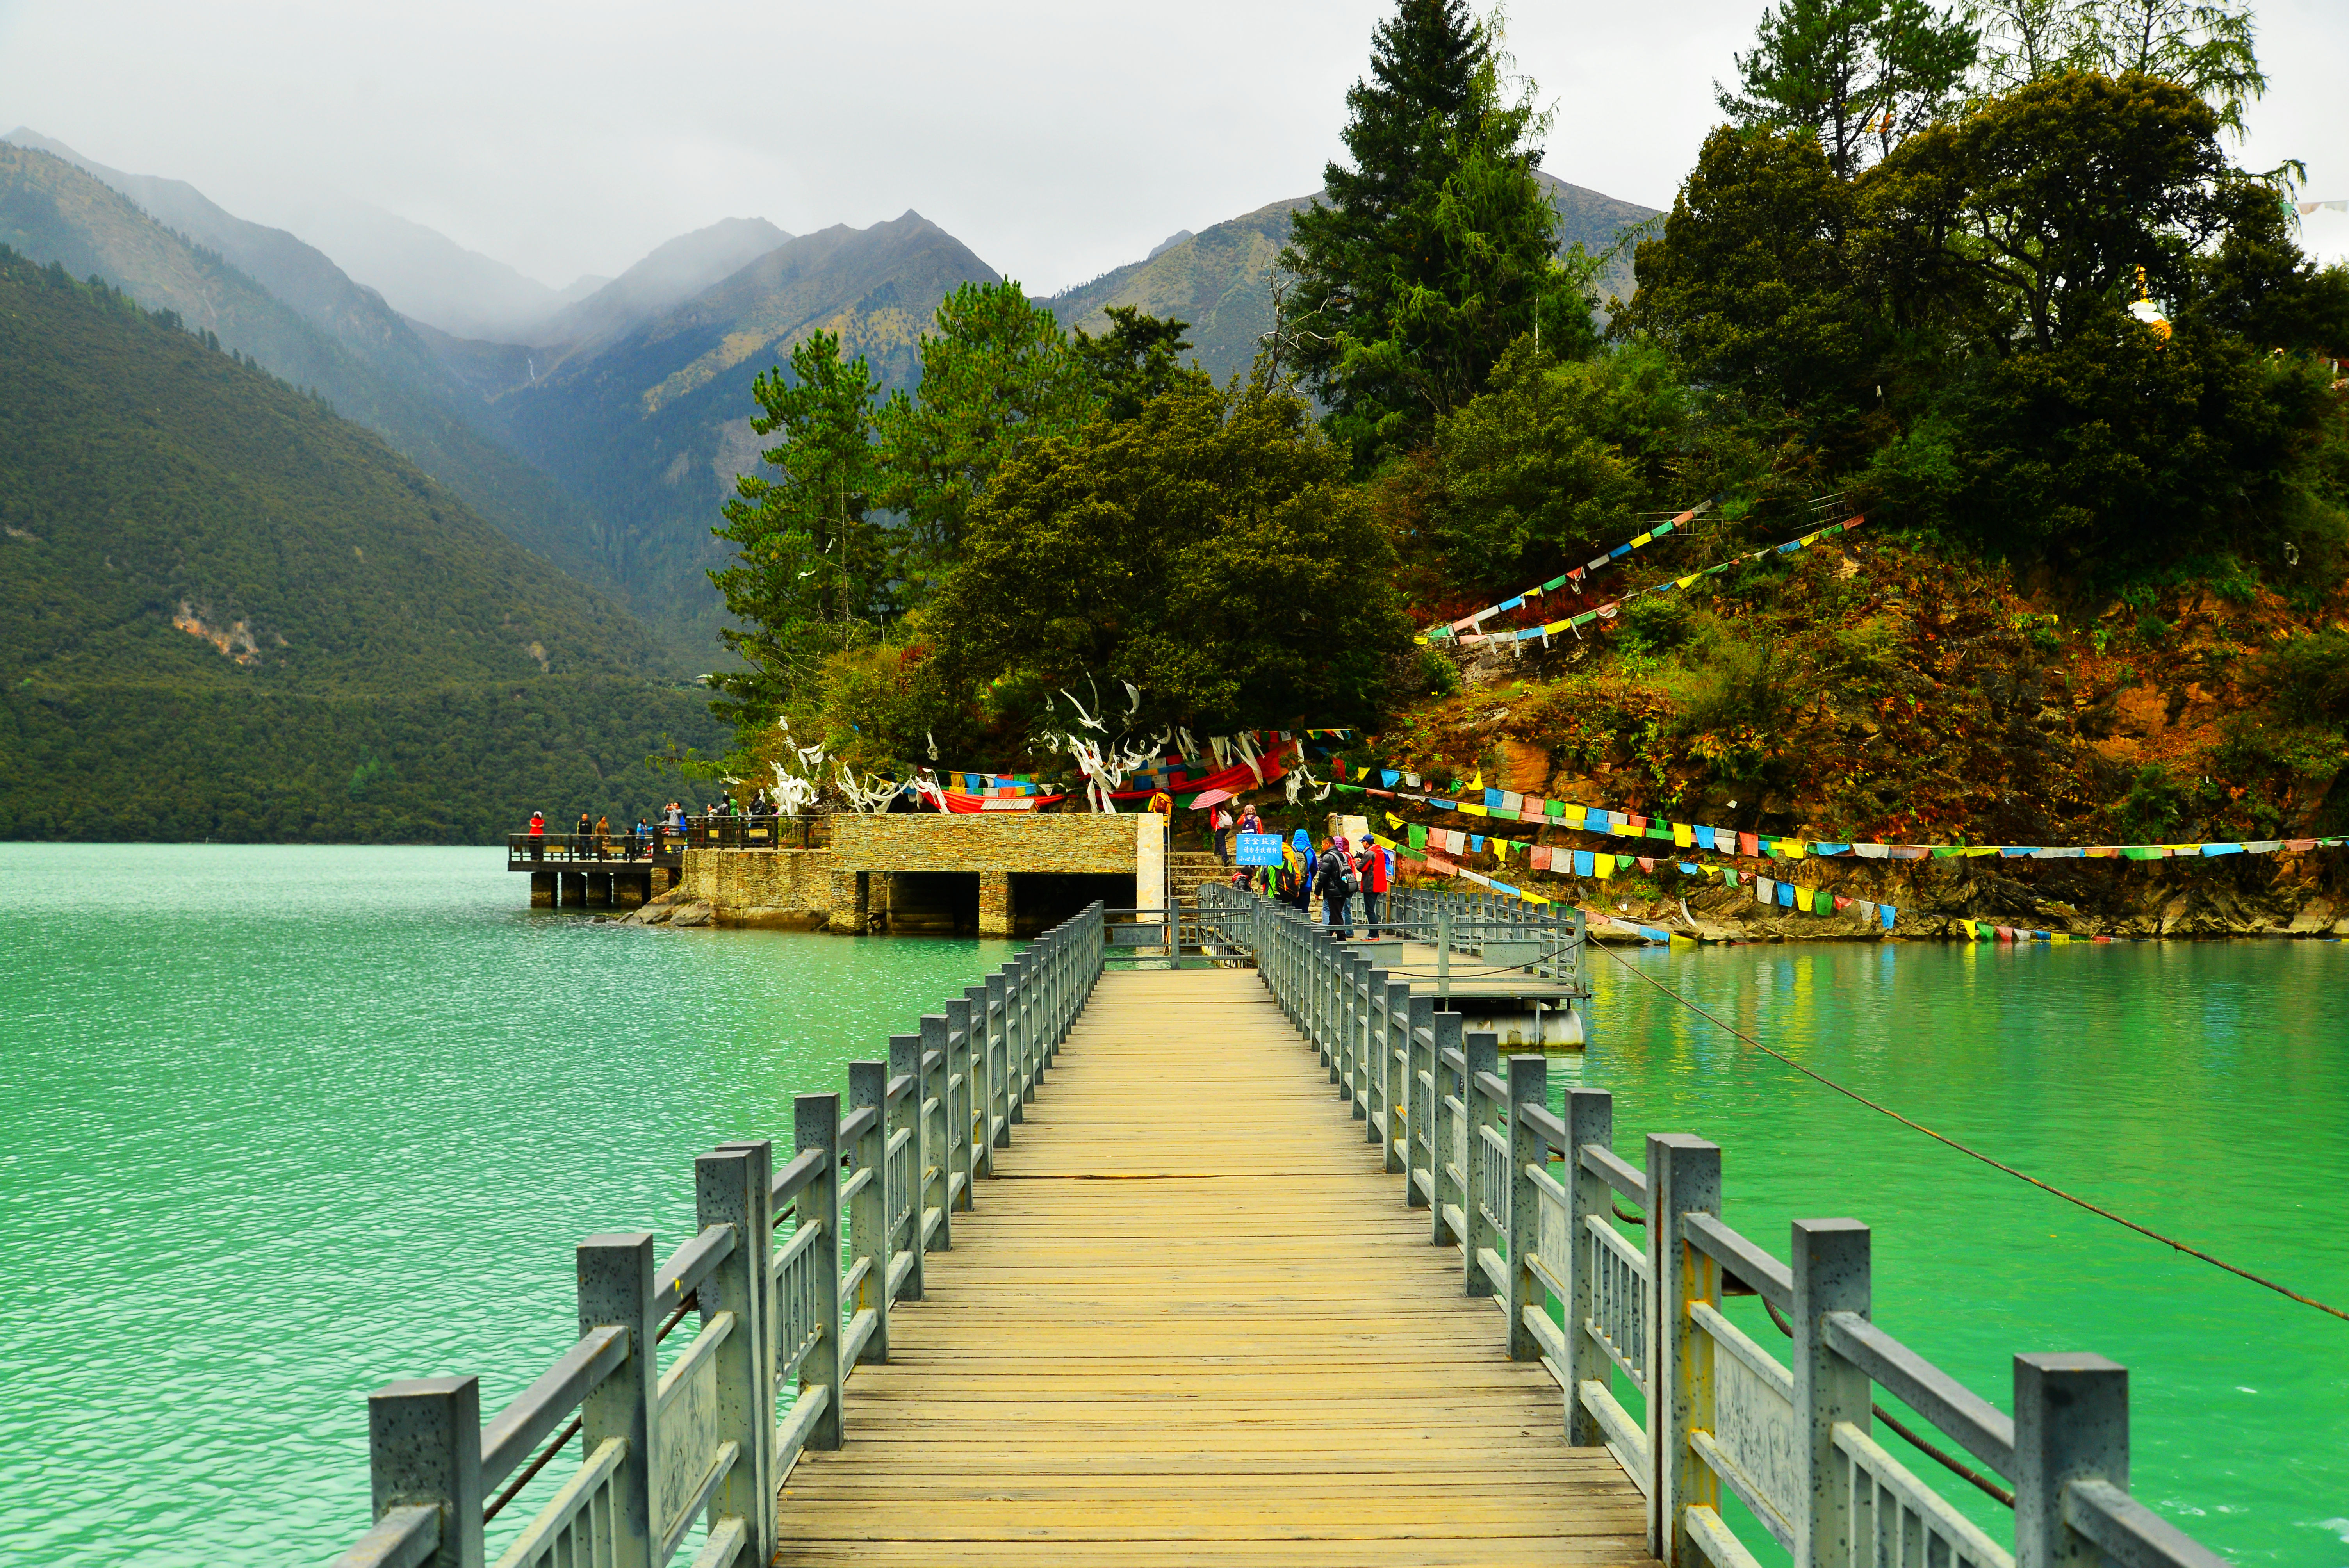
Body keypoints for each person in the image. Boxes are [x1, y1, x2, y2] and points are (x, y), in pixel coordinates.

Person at [1316, 834, 1356, 939]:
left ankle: (1341, 939)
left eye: (1323, 845)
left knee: (1336, 916)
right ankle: (1327, 937)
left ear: (1328, 844)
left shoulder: (1328, 857)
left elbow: (1323, 876)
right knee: (1334, 916)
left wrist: (1317, 891)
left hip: (1333, 891)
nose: (1322, 847)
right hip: (1343, 888)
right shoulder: (1342, 855)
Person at [1358, 834, 1392, 939]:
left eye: (1362, 842)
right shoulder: (1379, 851)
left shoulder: (1369, 853)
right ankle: (1374, 933)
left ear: (1366, 842)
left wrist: (1357, 862)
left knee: (1370, 911)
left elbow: (1362, 868)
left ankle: (1373, 934)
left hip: (1371, 885)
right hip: (1378, 884)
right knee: (1371, 910)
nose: (1362, 844)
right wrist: (1362, 857)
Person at [1210, 800, 1235, 865]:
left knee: (1222, 844)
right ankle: (1217, 851)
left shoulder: (1216, 810)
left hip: (1221, 828)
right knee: (1217, 837)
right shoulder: (1224, 809)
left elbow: (1213, 820)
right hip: (1226, 828)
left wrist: (1214, 826)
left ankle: (1225, 859)